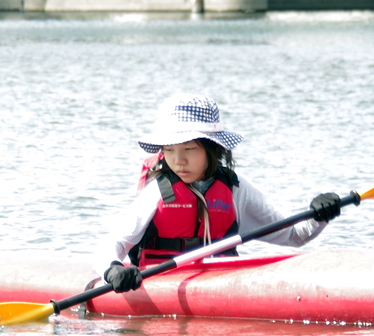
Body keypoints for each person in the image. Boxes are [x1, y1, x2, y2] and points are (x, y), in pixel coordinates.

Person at [95, 93, 344, 293]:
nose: (178, 160)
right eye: (169, 151)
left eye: (189, 149)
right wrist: (113, 269)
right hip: (162, 283)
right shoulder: (156, 193)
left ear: (213, 149)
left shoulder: (236, 188)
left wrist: (319, 215)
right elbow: (112, 243)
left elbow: (293, 237)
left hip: (223, 281)